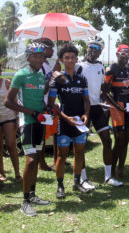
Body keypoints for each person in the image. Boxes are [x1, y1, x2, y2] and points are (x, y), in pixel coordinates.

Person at [5, 42, 51, 216]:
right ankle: (25, 202)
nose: (39, 59)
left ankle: (32, 195)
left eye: (41, 56)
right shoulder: (21, 75)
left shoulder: (41, 76)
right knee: (31, 160)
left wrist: (46, 108)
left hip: (40, 121)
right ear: (28, 57)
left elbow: (40, 100)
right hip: (27, 122)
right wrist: (31, 112)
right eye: (35, 56)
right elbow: (8, 102)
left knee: (37, 159)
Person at [77, 36, 123, 188]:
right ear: (87, 47)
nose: (93, 50)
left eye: (97, 48)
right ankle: (83, 178)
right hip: (82, 108)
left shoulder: (101, 67)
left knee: (107, 140)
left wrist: (113, 104)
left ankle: (108, 176)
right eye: (91, 46)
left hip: (96, 107)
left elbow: (103, 90)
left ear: (100, 52)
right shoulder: (78, 65)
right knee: (81, 144)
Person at [48, 43, 92, 199]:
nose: (70, 60)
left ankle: (77, 182)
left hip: (80, 122)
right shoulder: (58, 80)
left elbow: (87, 100)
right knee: (62, 155)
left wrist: (86, 114)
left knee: (79, 153)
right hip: (64, 122)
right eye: (66, 57)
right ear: (61, 60)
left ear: (77, 59)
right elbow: (52, 103)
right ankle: (60, 186)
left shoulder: (82, 79)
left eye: (73, 57)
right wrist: (66, 118)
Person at [104, 44, 129, 179]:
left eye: (128, 54)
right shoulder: (111, 69)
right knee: (118, 140)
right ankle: (111, 170)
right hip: (117, 107)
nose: (125, 56)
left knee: (127, 138)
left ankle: (121, 170)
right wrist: (117, 106)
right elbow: (104, 92)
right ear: (117, 55)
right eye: (123, 54)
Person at [35, 37, 61, 171]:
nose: (53, 51)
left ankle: (57, 158)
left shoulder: (46, 64)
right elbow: (43, 87)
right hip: (42, 105)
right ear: (44, 48)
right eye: (51, 48)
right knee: (43, 136)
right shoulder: (39, 66)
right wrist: (53, 74)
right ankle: (42, 163)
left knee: (56, 130)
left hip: (49, 103)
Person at [0, 76, 21, 184]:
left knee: (11, 145)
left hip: (9, 117)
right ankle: (1, 173)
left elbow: (14, 101)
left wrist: (17, 117)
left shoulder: (7, 83)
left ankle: (17, 173)